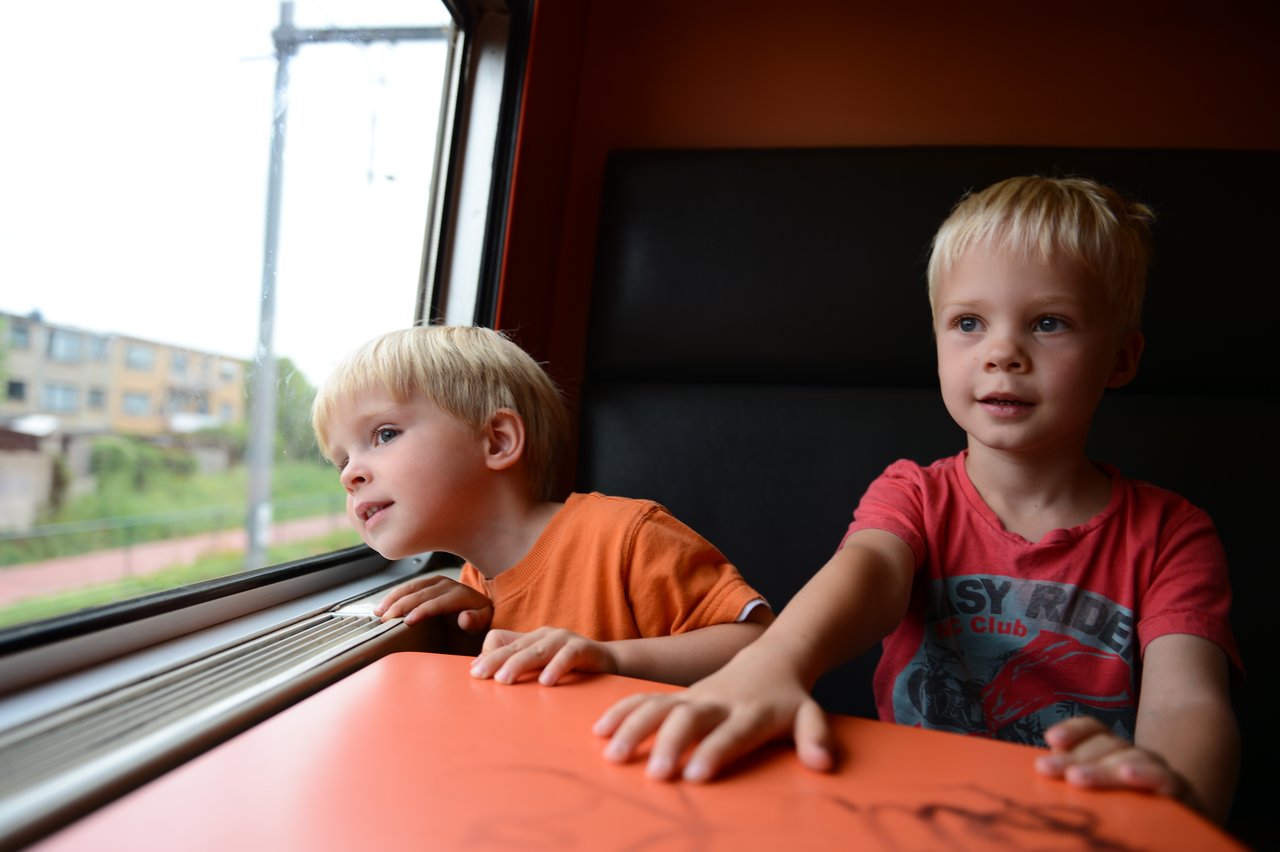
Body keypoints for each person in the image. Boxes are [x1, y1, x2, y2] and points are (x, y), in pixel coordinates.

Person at [593, 176, 1242, 822]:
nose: (1002, 353)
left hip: (1084, 822)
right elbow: (868, 574)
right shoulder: (914, 495)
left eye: (1049, 323)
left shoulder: (1171, 534)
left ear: (1121, 360)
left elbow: (1187, 704)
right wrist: (772, 664)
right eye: (968, 323)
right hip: (910, 814)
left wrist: (1173, 793)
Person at [311, 324, 772, 687]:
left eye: (384, 435)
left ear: (497, 440)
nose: (350, 474)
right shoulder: (474, 590)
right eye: (342, 459)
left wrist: (611, 658)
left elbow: (759, 644)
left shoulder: (625, 537)